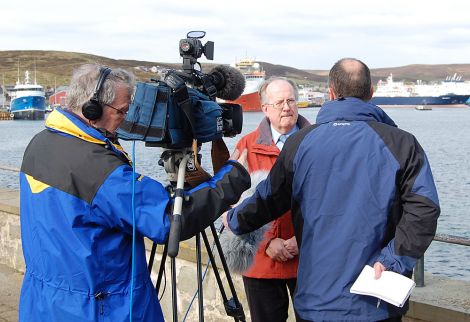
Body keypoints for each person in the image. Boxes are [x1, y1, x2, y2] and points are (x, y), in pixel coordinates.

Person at [19, 64, 250, 322]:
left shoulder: (41, 143)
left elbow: (97, 208)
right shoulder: (97, 169)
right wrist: (232, 177)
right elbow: (169, 221)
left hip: (45, 303)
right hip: (101, 308)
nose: (127, 118)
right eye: (122, 110)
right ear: (92, 108)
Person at [225, 58, 440, 322]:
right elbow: (425, 210)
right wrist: (392, 260)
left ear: (330, 93)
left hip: (317, 301)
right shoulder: (403, 144)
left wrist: (233, 219)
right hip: (377, 300)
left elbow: (268, 198)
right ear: (371, 92)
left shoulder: (300, 143)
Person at [232, 77, 310, 322]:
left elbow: (333, 201)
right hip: (261, 264)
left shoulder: (318, 142)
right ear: (265, 108)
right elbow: (234, 205)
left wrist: (303, 239)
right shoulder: (246, 147)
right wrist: (267, 243)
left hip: (309, 261)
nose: (287, 107)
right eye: (279, 103)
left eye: (291, 101)